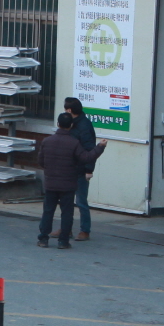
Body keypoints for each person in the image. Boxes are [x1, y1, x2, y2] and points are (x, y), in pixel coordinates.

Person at [35, 112, 102, 249]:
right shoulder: (74, 143)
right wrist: (100, 147)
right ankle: (63, 241)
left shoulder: (47, 141)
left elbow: (41, 161)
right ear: (71, 125)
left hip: (51, 183)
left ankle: (43, 239)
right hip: (68, 184)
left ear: (58, 124)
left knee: (48, 211)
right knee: (67, 212)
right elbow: (87, 157)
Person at [62, 95, 97, 241]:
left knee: (81, 201)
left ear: (69, 110)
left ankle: (85, 230)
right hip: (70, 168)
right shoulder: (72, 123)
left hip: (81, 169)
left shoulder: (83, 126)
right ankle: (66, 229)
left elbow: (90, 149)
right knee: (67, 200)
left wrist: (89, 170)